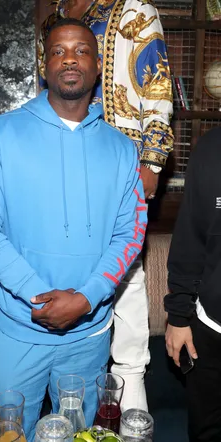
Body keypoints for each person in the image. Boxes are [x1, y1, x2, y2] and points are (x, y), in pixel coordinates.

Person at [0, 19, 147, 441]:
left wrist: (85, 298)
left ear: (97, 65)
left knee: (79, 434)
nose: (70, 59)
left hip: (89, 334)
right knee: (9, 433)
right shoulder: (0, 134)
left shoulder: (121, 149)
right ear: (44, 64)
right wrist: (36, 292)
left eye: (81, 50)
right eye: (59, 51)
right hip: (19, 328)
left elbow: (132, 232)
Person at [38, 0, 174, 411]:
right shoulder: (56, 15)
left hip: (121, 169)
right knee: (70, 274)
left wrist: (150, 163)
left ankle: (132, 406)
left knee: (126, 281)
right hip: (64, 169)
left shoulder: (134, 8)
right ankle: (69, 407)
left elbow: (158, 87)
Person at [165, 127, 221, 442]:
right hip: (211, 331)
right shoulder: (211, 148)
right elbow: (190, 241)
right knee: (204, 433)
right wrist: (177, 316)